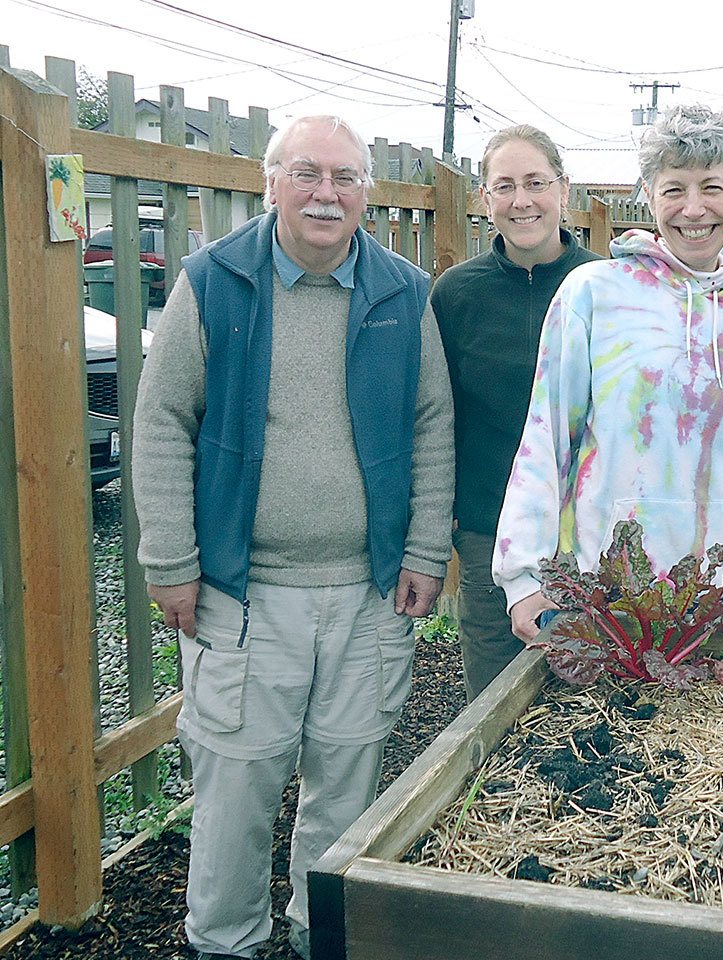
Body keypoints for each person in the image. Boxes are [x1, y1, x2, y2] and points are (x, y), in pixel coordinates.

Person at [132, 114, 454, 960]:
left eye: (346, 178)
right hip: (241, 596)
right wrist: (169, 558)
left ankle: (326, 938)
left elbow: (431, 425)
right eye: (307, 173)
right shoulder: (214, 282)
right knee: (235, 788)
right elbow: (163, 421)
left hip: (368, 592)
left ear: (365, 197)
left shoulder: (400, 292)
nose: (326, 193)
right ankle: (226, 941)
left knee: (347, 789)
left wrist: (424, 550)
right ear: (269, 182)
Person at [493, 104, 723, 640]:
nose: (694, 210)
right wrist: (525, 577)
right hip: (603, 603)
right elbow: (546, 441)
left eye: (711, 187)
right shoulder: (594, 296)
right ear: (648, 193)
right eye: (674, 190)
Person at [431, 125, 601, 700]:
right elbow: (437, 418)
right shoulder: (456, 294)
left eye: (536, 182)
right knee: (496, 701)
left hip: (591, 533)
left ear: (564, 190)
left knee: (595, 699)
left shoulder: (603, 287)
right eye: (504, 186)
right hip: (490, 533)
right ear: (485, 198)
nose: (521, 200)